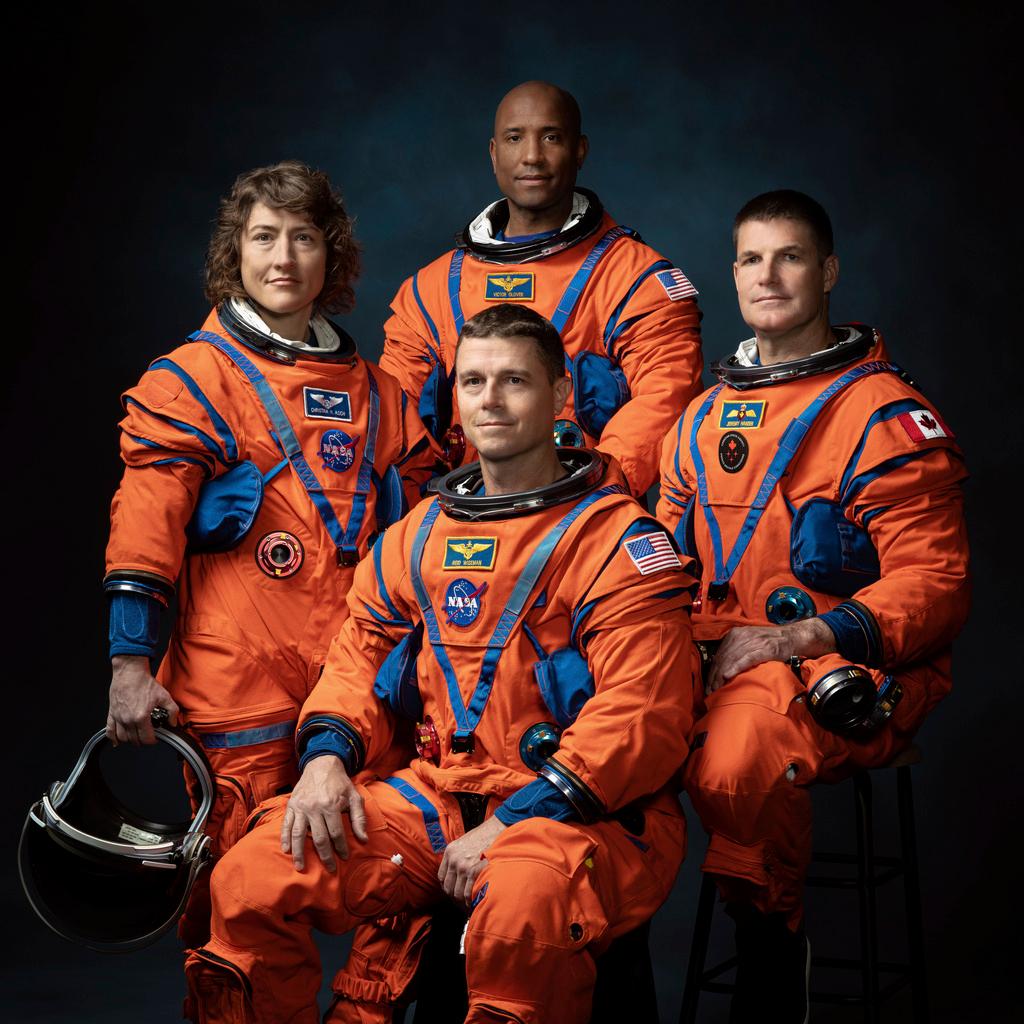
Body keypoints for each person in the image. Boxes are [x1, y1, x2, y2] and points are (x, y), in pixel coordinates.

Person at [184, 304, 699, 1024]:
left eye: (514, 381)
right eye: (474, 381)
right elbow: (358, 657)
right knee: (250, 875)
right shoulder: (418, 535)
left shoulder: (616, 541)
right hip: (438, 798)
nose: (489, 400)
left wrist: (517, 816)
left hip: (583, 814)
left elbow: (644, 717)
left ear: (558, 398)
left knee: (518, 911)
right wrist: (328, 757)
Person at [103, 161, 435, 949]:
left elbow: (427, 548)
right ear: (236, 253)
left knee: (390, 891)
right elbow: (144, 525)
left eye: (303, 237)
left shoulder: (382, 397)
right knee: (238, 911)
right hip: (238, 691)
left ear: (333, 255)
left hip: (363, 688)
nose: (283, 257)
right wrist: (128, 663)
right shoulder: (192, 380)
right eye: (263, 238)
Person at [657, 190, 970, 1020]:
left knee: (737, 754)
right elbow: (657, 567)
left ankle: (769, 945)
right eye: (753, 259)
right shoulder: (699, 420)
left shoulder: (884, 417)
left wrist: (800, 634)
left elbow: (934, 586)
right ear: (733, 276)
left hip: (839, 664)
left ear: (827, 270)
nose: (769, 275)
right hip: (711, 657)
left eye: (790, 256)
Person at [379, 79, 703, 496]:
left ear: (579, 150)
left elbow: (665, 398)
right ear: (494, 154)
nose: (532, 156)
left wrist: (589, 498)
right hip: (458, 522)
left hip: (582, 520)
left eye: (551, 137)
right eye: (515, 138)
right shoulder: (431, 290)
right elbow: (394, 417)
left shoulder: (634, 278)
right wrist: (426, 514)